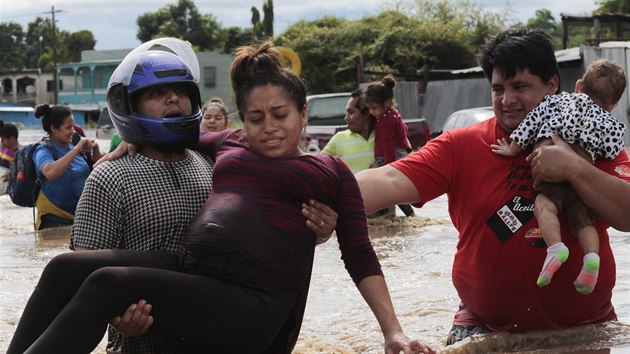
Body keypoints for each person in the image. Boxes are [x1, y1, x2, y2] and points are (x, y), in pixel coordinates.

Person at [7, 41, 434, 354]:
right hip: (194, 273)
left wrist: (392, 330)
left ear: (304, 114)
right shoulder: (225, 147)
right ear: (242, 122)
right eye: (255, 117)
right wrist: (122, 144)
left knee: (105, 283)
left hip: (250, 302)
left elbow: (360, 254)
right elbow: (167, 124)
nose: (269, 127)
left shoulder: (329, 171)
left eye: (281, 115)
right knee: (64, 266)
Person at [355, 27, 630, 345]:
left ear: (553, 85)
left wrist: (575, 168)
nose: (507, 100)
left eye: (520, 87)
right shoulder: (462, 145)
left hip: (585, 330)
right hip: (482, 330)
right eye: (498, 89)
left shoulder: (592, 142)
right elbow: (389, 178)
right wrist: (318, 190)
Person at [70, 37, 338, 354]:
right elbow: (81, 277)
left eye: (182, 91)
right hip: (140, 347)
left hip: (223, 336)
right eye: (157, 93)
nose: (174, 100)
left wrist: (316, 228)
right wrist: (117, 316)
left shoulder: (217, 167)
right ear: (130, 106)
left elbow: (265, 242)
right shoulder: (109, 177)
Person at [491, 58, 626, 295]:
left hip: (550, 156)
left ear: (578, 85)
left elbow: (531, 123)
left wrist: (512, 149)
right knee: (582, 221)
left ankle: (555, 248)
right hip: (583, 168)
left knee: (544, 206)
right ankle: (591, 258)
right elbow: (613, 150)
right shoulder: (611, 123)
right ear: (614, 103)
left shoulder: (557, 101)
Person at [32, 104, 103, 230]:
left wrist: (95, 148)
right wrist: (76, 149)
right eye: (68, 127)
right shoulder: (42, 150)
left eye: (73, 127)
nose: (73, 131)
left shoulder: (75, 143)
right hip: (53, 218)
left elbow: (99, 170)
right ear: (54, 128)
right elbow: (50, 173)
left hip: (81, 216)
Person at [364, 74, 415, 217]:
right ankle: (410, 216)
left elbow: (388, 146)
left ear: (386, 103)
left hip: (389, 159)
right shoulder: (393, 114)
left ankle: (385, 217)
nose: (371, 112)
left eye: (374, 108)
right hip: (397, 156)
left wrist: (386, 169)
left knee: (379, 191)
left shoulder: (385, 121)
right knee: (394, 193)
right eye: (369, 108)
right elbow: (404, 130)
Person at [321, 88, 376, 173]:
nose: (346, 118)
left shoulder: (386, 136)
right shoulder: (338, 139)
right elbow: (318, 166)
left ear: (366, 113)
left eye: (351, 112)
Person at [0, 121, 20, 185]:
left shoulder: (20, 153)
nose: (2, 141)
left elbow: (22, 172)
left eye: (3, 139)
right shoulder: (3, 147)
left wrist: (11, 175)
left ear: (12, 138)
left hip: (9, 186)